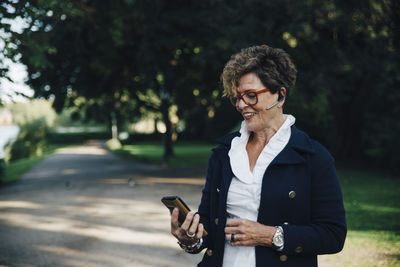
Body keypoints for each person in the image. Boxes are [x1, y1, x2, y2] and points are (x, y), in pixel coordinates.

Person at [170, 44, 346, 267]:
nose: (242, 105)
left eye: (251, 95)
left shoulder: (313, 156)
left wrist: (269, 235)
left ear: (280, 95)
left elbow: (333, 235)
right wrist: (191, 239)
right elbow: (209, 226)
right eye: (237, 98)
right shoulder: (223, 153)